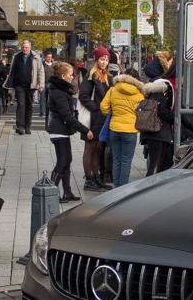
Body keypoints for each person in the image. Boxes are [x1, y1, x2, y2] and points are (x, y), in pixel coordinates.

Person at [45, 60, 91, 202]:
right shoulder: (59, 93)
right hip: (59, 131)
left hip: (62, 130)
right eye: (71, 74)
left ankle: (67, 192)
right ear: (63, 76)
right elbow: (66, 116)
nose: (73, 77)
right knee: (62, 161)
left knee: (67, 160)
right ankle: (51, 191)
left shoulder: (61, 90)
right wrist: (85, 130)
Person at [101, 69, 145, 187]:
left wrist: (113, 113)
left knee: (116, 159)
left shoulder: (112, 90)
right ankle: (123, 187)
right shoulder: (139, 94)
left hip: (114, 129)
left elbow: (103, 107)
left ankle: (116, 186)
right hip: (130, 130)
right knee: (126, 161)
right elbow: (142, 114)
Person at [78, 47, 111, 191]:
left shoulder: (107, 76)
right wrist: (95, 108)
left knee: (98, 148)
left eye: (106, 59)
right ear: (96, 60)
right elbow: (83, 95)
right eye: (102, 59)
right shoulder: (91, 76)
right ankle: (89, 179)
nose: (104, 62)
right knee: (90, 147)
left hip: (102, 117)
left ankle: (96, 177)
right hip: (93, 117)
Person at [140, 52, 177, 176]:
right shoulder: (163, 84)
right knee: (156, 165)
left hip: (155, 129)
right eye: (170, 61)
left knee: (157, 164)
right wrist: (176, 118)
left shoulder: (157, 82)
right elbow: (160, 109)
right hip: (158, 129)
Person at [8, 40, 45, 134]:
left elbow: (40, 71)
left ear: (30, 48)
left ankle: (28, 126)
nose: (24, 49)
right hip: (19, 84)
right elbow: (12, 70)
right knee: (21, 104)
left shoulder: (36, 57)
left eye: (26, 47)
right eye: (23, 47)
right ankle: (20, 126)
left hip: (31, 85)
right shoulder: (16, 57)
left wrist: (41, 85)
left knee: (29, 105)